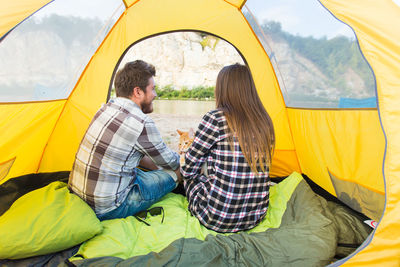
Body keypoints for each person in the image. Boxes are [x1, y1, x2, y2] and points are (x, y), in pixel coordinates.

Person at [68, 60, 181, 221]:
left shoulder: (105, 108)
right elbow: (172, 163)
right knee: (178, 171)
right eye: (152, 89)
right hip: (109, 207)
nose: (155, 94)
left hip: (80, 195)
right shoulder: (141, 122)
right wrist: (183, 161)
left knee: (143, 159)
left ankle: (155, 176)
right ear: (138, 92)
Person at [181, 63, 275, 233]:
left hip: (216, 217)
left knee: (190, 176)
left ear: (222, 89)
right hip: (254, 217)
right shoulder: (265, 121)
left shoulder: (215, 118)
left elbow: (188, 169)